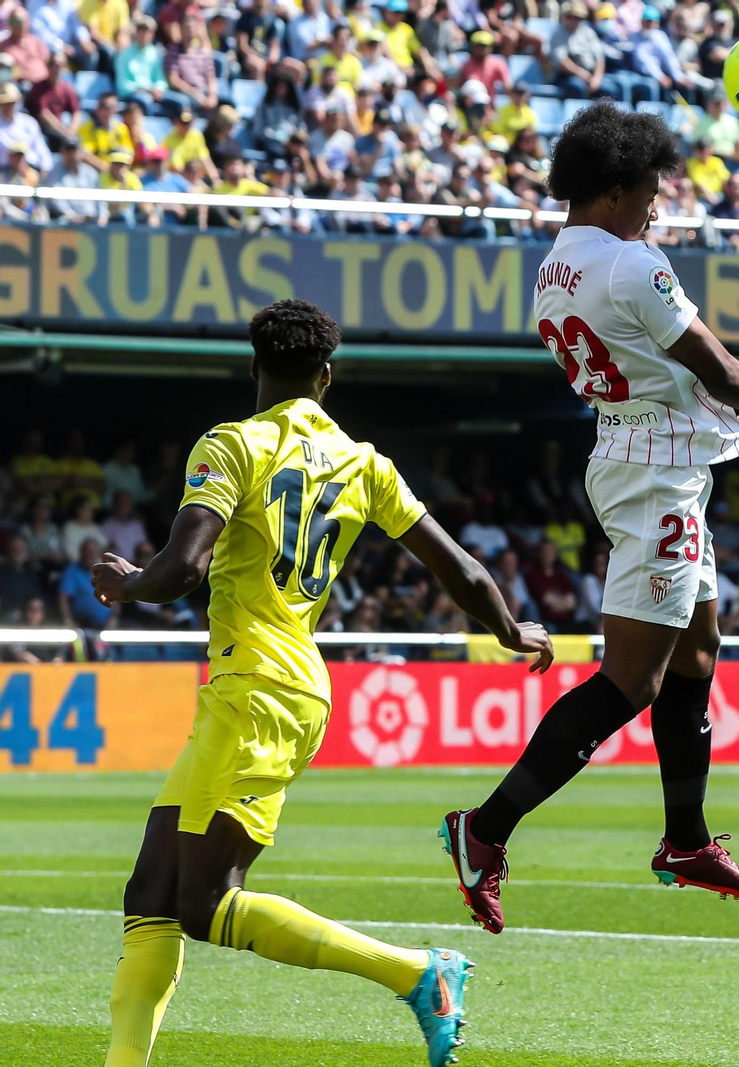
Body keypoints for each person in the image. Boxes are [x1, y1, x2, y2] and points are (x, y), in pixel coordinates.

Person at [89, 299, 555, 1067]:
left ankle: (416, 971)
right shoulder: (363, 462)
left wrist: (128, 579)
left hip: (257, 690)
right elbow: (462, 569)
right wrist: (511, 629)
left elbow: (181, 570)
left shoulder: (232, 443)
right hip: (278, 684)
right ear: (326, 376)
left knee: (205, 904)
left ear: (255, 369)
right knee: (151, 895)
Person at [441, 103, 739, 935]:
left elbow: (659, 360)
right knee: (629, 680)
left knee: (698, 649)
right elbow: (713, 360)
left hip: (645, 457)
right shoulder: (633, 265)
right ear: (616, 191)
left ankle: (687, 837)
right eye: (650, 191)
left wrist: (719, 411)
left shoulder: (555, 267)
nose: (656, 207)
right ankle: (483, 830)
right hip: (656, 476)